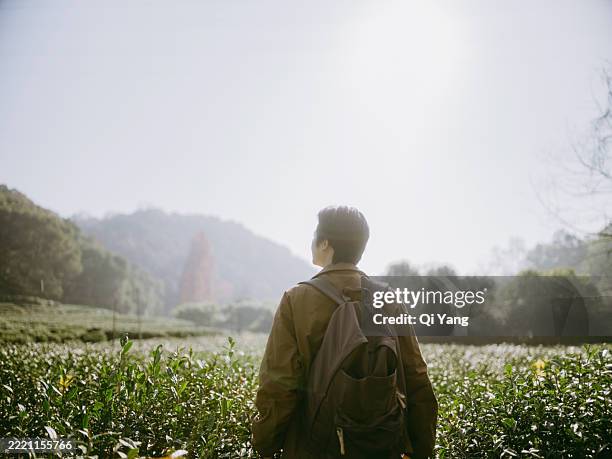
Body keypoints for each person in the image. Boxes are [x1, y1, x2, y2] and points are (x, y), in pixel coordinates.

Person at [251, 205, 438, 458]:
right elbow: (416, 377)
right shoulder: (389, 300)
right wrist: (421, 447)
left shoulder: (297, 299)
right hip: (380, 445)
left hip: (312, 447)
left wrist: (265, 445)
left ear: (325, 243)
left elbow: (279, 384)